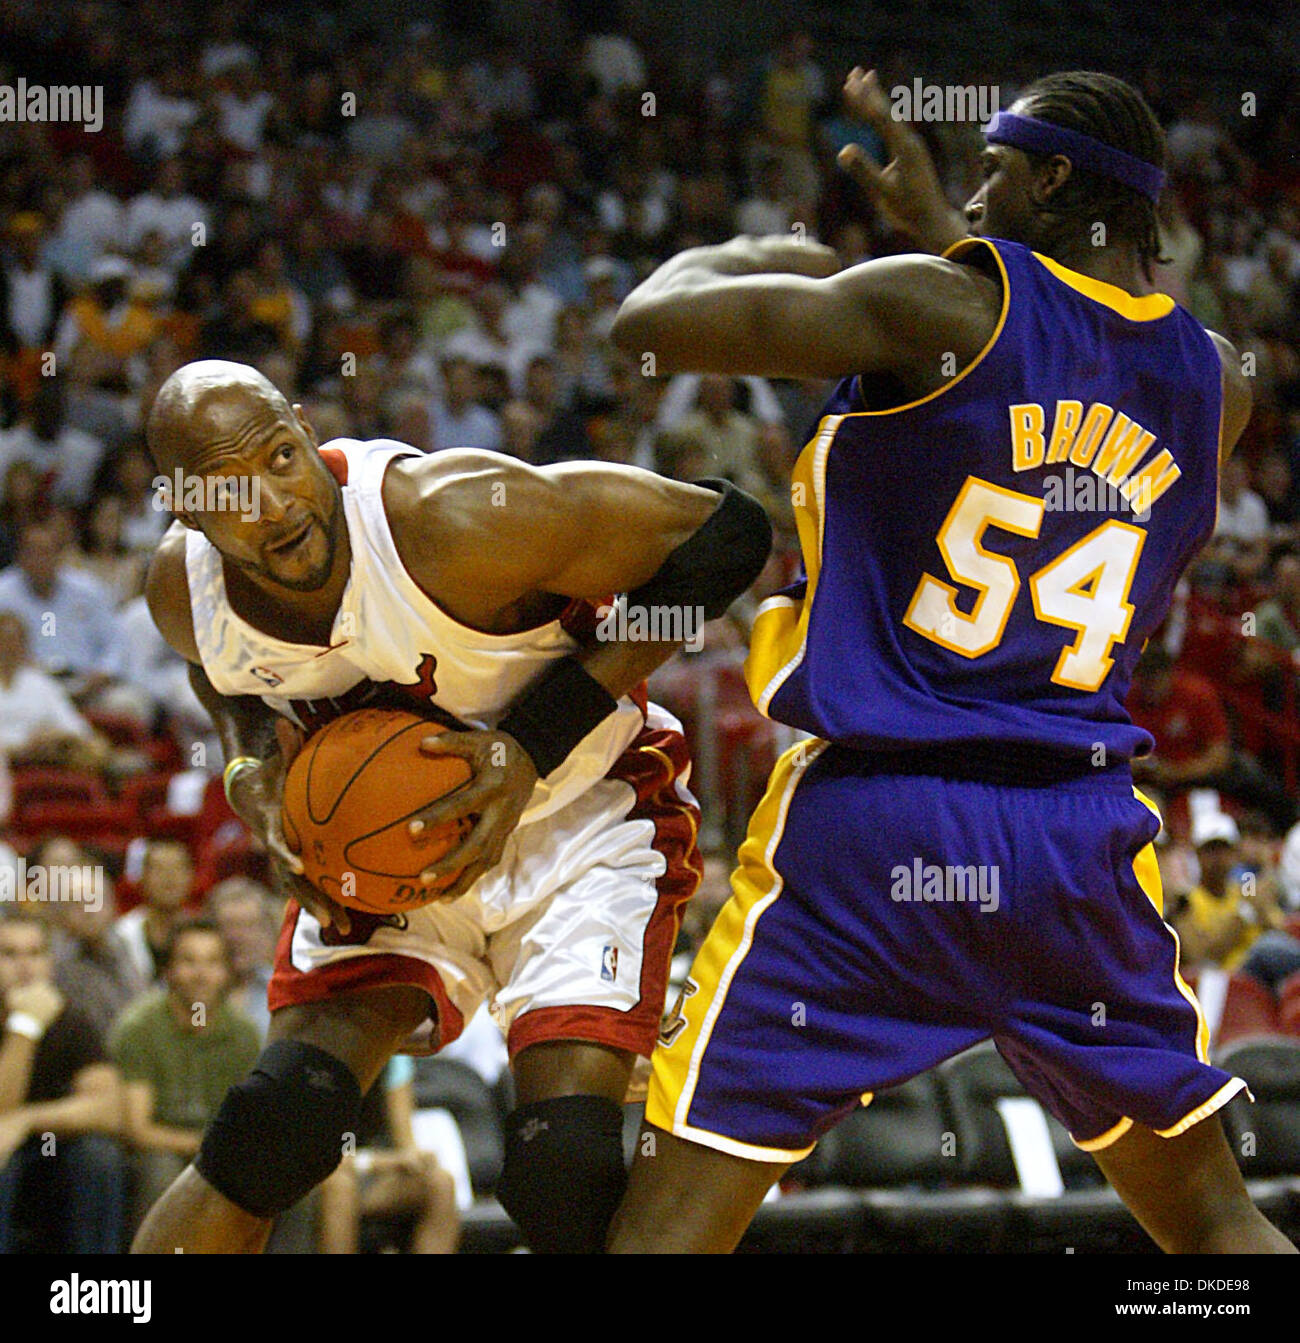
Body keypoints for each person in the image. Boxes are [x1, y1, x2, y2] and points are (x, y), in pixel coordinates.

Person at [605, 68, 1296, 1253]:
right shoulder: (1219, 381)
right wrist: (948, 244)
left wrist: (783, 246)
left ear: (1053, 175)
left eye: (990, 172)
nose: (969, 197)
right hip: (1076, 841)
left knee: (667, 1227)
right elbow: (1057, 351)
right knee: (1215, 1223)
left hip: (879, 832)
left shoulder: (929, 308)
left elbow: (648, 333)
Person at [132, 358, 770, 1254]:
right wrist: (251, 772)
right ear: (186, 510)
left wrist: (530, 744)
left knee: (563, 1171)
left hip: (576, 816)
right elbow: (223, 675)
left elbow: (729, 534)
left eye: (281, 458)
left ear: (307, 432)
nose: (274, 503)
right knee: (275, 1125)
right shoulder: (183, 593)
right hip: (386, 859)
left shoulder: (454, 519)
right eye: (230, 491)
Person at [110, 917, 261, 1234]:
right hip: (157, 1149)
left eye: (212, 962)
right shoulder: (138, 1027)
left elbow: (252, 1121)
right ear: (168, 971)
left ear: (227, 973)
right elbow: (137, 1129)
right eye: (188, 961)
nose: (201, 974)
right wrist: (206, 1146)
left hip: (222, 1152)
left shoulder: (244, 1035)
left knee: (290, 1183)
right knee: (163, 1171)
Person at [0, 910, 127, 1252]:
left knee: (99, 1157)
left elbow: (110, 1109)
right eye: (9, 954)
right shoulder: (36, 1018)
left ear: (51, 962)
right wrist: (25, 1027)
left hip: (47, 1147)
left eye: (36, 953)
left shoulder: (71, 1020)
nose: (25, 966)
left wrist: (26, 1121)